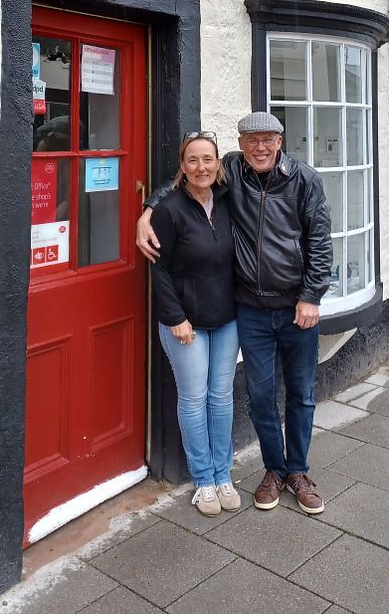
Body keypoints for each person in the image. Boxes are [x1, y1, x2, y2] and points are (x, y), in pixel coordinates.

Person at [138, 112, 332, 515]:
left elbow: (320, 242)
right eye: (250, 140)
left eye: (267, 139)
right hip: (252, 310)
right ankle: (273, 471)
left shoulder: (305, 180)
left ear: (280, 141)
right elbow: (187, 179)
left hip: (298, 308)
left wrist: (312, 295)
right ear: (240, 145)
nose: (259, 147)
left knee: (301, 394)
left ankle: (297, 472)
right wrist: (147, 210)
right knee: (260, 397)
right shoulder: (231, 171)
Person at [150, 131, 241, 517]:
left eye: (208, 159)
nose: (201, 167)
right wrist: (176, 318)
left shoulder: (227, 199)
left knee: (221, 397)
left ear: (218, 163)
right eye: (193, 160)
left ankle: (223, 474)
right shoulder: (169, 210)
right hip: (185, 322)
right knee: (193, 398)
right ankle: (203, 480)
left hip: (227, 318)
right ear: (182, 166)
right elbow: (159, 270)